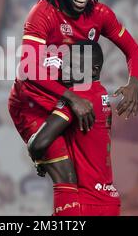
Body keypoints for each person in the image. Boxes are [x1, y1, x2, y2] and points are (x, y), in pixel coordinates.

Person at [8, 0, 138, 215]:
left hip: (68, 99)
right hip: (33, 104)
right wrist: (71, 98)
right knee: (67, 177)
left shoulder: (100, 14)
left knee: (83, 181)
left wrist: (134, 82)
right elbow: (29, 68)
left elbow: (133, 50)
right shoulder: (43, 13)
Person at [28, 40, 121, 215]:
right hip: (108, 202)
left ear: (94, 70)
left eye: (75, 66)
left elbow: (38, 144)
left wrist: (38, 157)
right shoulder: (100, 93)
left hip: (83, 203)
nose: (66, 70)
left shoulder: (78, 97)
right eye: (66, 64)